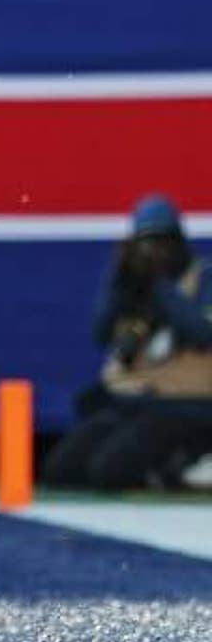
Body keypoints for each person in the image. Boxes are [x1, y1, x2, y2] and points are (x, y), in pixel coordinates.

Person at [45, 196, 212, 490]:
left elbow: (202, 333)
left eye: (163, 242)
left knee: (109, 472)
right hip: (130, 400)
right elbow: (101, 334)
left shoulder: (203, 277)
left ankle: (185, 462)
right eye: (146, 244)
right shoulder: (129, 284)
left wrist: (160, 287)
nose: (155, 252)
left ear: (179, 242)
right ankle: (168, 466)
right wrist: (120, 281)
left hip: (184, 403)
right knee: (63, 470)